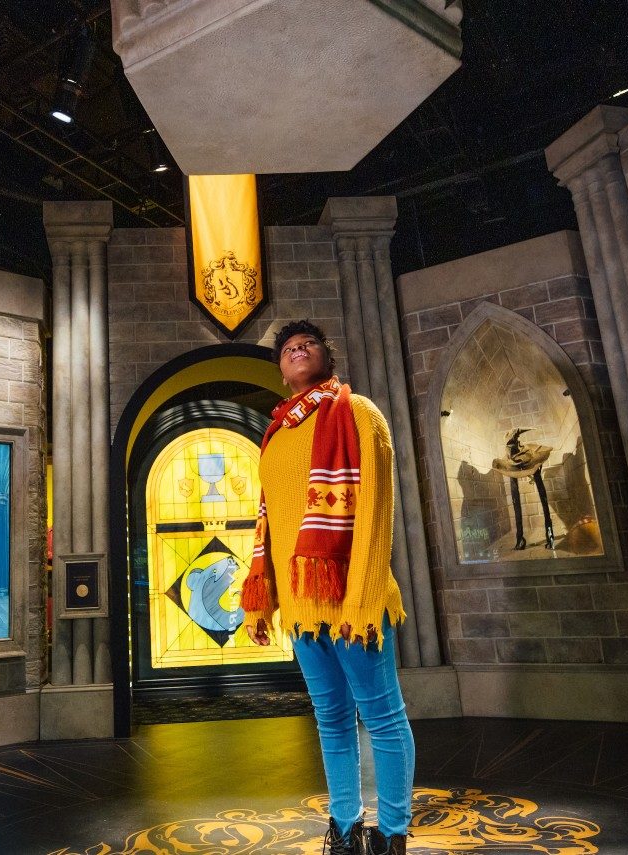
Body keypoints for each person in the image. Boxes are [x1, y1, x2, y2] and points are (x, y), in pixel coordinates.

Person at [244, 320, 414, 855]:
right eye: (287, 347)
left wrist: (361, 597)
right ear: (280, 367)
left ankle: (392, 835)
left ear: (326, 356)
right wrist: (263, 598)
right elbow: (267, 525)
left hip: (352, 600)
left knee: (383, 718)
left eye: (307, 343)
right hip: (301, 608)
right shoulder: (274, 436)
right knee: (332, 720)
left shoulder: (358, 413)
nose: (297, 349)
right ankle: (345, 828)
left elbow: (376, 512)